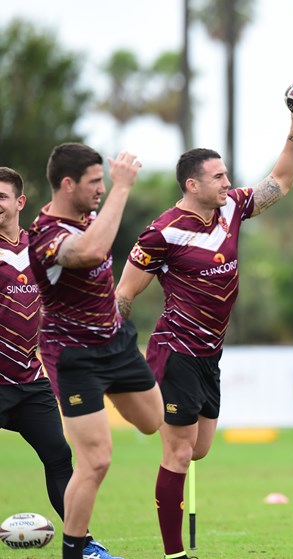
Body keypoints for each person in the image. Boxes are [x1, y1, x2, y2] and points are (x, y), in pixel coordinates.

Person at [114, 113, 293, 559]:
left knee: (198, 450)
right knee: (179, 454)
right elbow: (124, 293)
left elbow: (281, 180)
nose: (227, 182)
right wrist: (113, 347)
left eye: (226, 175)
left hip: (209, 355)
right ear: (192, 184)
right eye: (218, 176)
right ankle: (174, 554)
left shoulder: (232, 209)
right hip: (175, 351)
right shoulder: (161, 233)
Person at [28, 145, 165, 559]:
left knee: (153, 420)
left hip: (115, 343)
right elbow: (88, 252)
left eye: (104, 181)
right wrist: (122, 187)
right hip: (75, 357)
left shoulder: (88, 218)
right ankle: (77, 552)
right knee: (96, 460)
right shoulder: (46, 235)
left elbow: (98, 239)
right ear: (67, 184)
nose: (102, 188)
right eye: (94, 182)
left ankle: (107, 391)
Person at [0, 167, 124, 559]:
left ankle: (82, 546)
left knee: (59, 457)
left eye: (1, 196)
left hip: (30, 380)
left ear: (20, 202)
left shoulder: (40, 246)